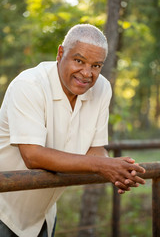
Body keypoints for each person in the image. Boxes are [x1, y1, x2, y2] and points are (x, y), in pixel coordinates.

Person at [0, 24, 145, 237]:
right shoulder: (29, 85)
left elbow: (95, 151)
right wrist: (103, 165)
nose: (87, 73)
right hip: (4, 211)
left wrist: (118, 171)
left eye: (96, 65)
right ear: (60, 54)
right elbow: (32, 155)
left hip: (43, 216)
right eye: (79, 61)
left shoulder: (102, 88)